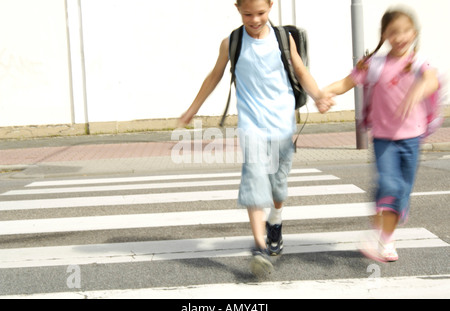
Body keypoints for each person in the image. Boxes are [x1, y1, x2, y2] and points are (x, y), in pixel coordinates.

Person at [179, 0, 333, 276]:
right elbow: (214, 77)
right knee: (254, 176)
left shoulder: (283, 39)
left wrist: (319, 95)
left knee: (277, 187)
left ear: (271, 6)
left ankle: (276, 220)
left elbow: (300, 70)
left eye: (261, 13)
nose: (255, 19)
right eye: (248, 13)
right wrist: (192, 109)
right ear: (237, 8)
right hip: (251, 126)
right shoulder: (232, 42)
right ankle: (260, 247)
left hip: (282, 124)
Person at [318, 7, 439, 262]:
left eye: (405, 31)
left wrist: (419, 90)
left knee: (402, 192)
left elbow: (431, 80)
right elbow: (346, 82)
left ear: (414, 33)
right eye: (394, 32)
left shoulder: (418, 63)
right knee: (389, 184)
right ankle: (380, 232)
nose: (400, 37)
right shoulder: (375, 64)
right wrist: (325, 92)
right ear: (384, 35)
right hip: (384, 138)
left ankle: (386, 238)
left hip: (412, 138)